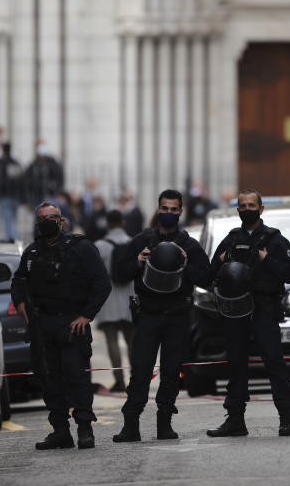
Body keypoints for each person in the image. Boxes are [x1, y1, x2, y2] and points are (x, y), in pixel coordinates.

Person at [112, 189, 213, 443]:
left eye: (173, 209)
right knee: (141, 371)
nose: (168, 213)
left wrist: (188, 264)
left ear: (180, 211)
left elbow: (208, 278)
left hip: (177, 316)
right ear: (158, 210)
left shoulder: (189, 244)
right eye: (164, 209)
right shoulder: (142, 240)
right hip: (148, 316)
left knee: (171, 372)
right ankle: (131, 424)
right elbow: (118, 273)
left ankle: (164, 423)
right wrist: (137, 261)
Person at [11, 201, 111, 450]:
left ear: (62, 220)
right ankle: (60, 431)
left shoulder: (81, 248)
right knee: (49, 380)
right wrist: (20, 302)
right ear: (37, 224)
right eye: (43, 218)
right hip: (43, 325)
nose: (48, 221)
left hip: (72, 324)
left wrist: (87, 316)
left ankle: (85, 430)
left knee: (76, 378)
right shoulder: (32, 253)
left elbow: (101, 282)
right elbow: (18, 280)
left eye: (52, 217)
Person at [207, 189, 290, 438]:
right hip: (235, 313)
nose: (247, 209)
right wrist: (222, 260)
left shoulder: (274, 240)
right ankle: (235, 420)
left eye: (251, 205)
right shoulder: (230, 239)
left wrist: (266, 259)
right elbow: (209, 275)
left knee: (274, 363)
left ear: (261, 209)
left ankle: (286, 418)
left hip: (264, 310)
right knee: (236, 365)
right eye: (242, 205)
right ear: (237, 210)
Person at [93, 210, 135, 392]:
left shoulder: (100, 246)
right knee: (132, 340)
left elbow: (94, 274)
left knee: (112, 341)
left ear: (107, 224)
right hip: (129, 298)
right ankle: (136, 378)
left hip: (108, 299)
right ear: (123, 222)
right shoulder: (132, 243)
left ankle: (119, 380)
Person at [24, 139, 64, 205]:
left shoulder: (53, 163)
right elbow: (28, 182)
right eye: (39, 146)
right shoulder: (33, 165)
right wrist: (29, 199)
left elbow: (59, 178)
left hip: (51, 196)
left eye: (42, 146)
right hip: (37, 197)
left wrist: (59, 193)